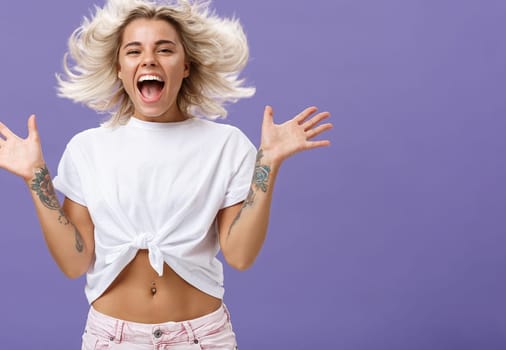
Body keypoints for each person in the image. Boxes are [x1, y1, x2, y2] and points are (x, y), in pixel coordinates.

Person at [0, 0, 332, 348]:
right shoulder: (88, 149)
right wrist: (34, 177)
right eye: (134, 51)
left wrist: (269, 163)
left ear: (185, 65)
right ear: (118, 67)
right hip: (113, 339)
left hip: (202, 338)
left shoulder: (226, 144)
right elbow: (74, 262)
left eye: (164, 49)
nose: (148, 60)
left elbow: (239, 255)